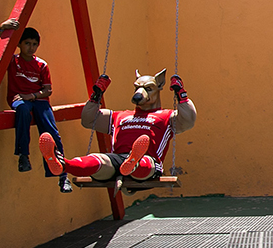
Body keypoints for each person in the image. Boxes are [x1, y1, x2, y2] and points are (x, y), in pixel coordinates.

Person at [39, 70, 197, 191]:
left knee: (144, 163)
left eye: (148, 89)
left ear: (158, 88)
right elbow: (88, 119)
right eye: (138, 87)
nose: (140, 92)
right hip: (118, 160)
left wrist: (181, 94)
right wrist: (96, 95)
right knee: (98, 160)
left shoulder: (166, 116)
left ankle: (134, 162)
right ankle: (63, 164)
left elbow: (188, 120)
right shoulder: (119, 116)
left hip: (148, 162)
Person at [0, 19, 71, 193]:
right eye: (27, 43)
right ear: (20, 44)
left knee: (51, 130)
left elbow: (47, 90)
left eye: (34, 44)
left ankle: (62, 174)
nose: (31, 47)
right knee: (22, 111)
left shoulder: (41, 65)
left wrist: (31, 95)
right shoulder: (13, 61)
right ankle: (23, 155)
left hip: (38, 100)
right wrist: (3, 29)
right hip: (19, 100)